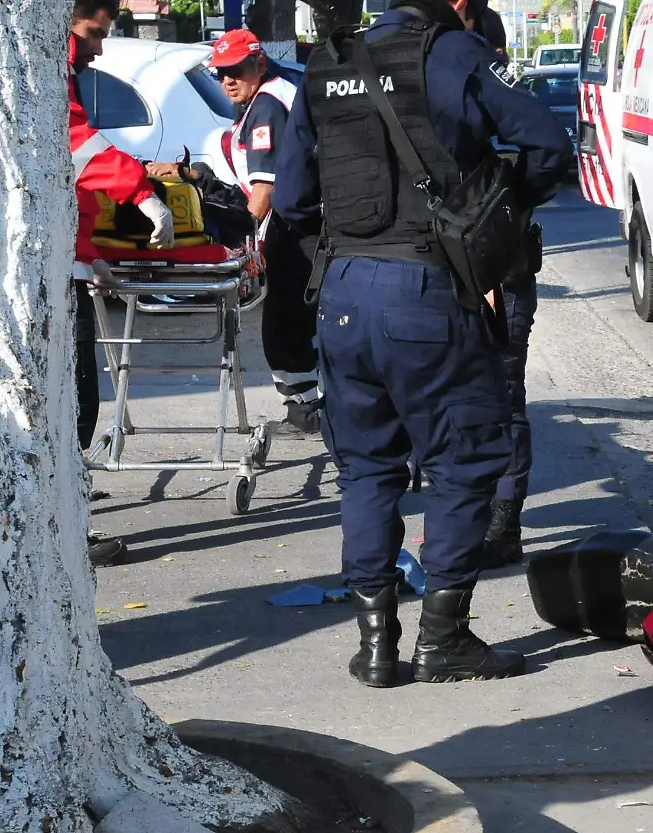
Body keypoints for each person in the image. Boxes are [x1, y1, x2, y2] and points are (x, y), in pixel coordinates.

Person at [272, 0, 572, 687]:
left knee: (368, 470)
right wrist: (497, 204)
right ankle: (444, 640)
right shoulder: (455, 53)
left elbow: (291, 200)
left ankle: (375, 647)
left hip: (342, 293)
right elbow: (549, 146)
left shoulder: (324, 63)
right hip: (431, 291)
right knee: (463, 464)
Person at [147, 29, 323, 438]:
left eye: (236, 71)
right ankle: (308, 408)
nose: (227, 80)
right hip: (293, 227)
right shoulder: (265, 97)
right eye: (220, 73)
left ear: (259, 64)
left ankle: (311, 412)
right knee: (288, 324)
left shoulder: (267, 105)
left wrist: (246, 244)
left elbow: (265, 190)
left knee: (287, 326)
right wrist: (192, 176)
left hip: (297, 231)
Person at [70, 0, 176, 567]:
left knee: (72, 402)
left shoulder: (57, 70)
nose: (100, 48)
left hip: (66, 262)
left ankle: (63, 514)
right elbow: (77, 148)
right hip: (57, 274)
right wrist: (141, 193)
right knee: (75, 402)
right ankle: (64, 528)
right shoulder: (50, 72)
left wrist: (86, 255)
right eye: (94, 33)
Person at [473, 6, 541, 570]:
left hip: (503, 276)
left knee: (504, 398)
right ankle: (478, 512)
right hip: (455, 274)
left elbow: (545, 158)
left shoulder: (505, 99)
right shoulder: (456, 93)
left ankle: (504, 520)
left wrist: (509, 222)